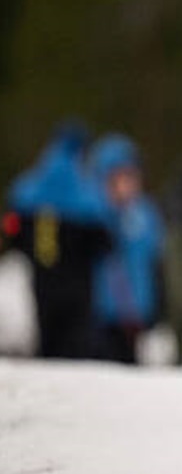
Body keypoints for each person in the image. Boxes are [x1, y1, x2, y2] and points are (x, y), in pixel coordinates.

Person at [4, 121, 113, 358]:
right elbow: (104, 241)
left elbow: (12, 229)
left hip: (43, 279)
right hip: (78, 284)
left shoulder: (30, 187)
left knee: (48, 339)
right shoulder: (87, 192)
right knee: (74, 345)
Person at [87, 133, 166, 364]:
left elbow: (152, 261)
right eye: (118, 178)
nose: (126, 185)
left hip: (134, 315)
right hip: (100, 316)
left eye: (130, 177)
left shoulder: (145, 214)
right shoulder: (92, 215)